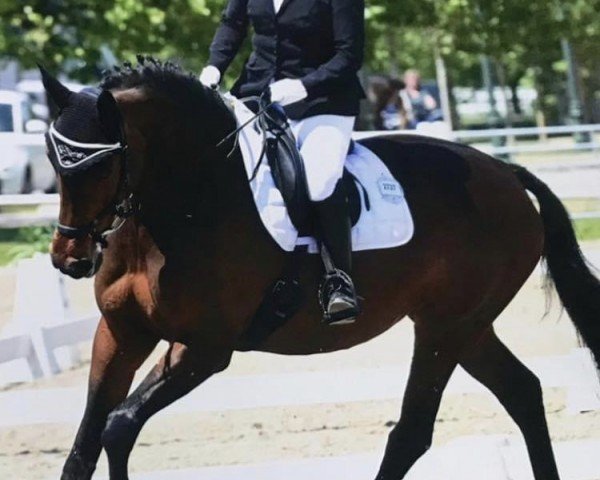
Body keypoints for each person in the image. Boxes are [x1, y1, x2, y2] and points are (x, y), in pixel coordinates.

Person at [199, 0, 366, 325]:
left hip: (324, 101)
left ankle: (339, 282)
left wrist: (304, 85)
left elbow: (349, 55)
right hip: (258, 92)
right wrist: (213, 68)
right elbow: (232, 25)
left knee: (318, 182)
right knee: (220, 161)